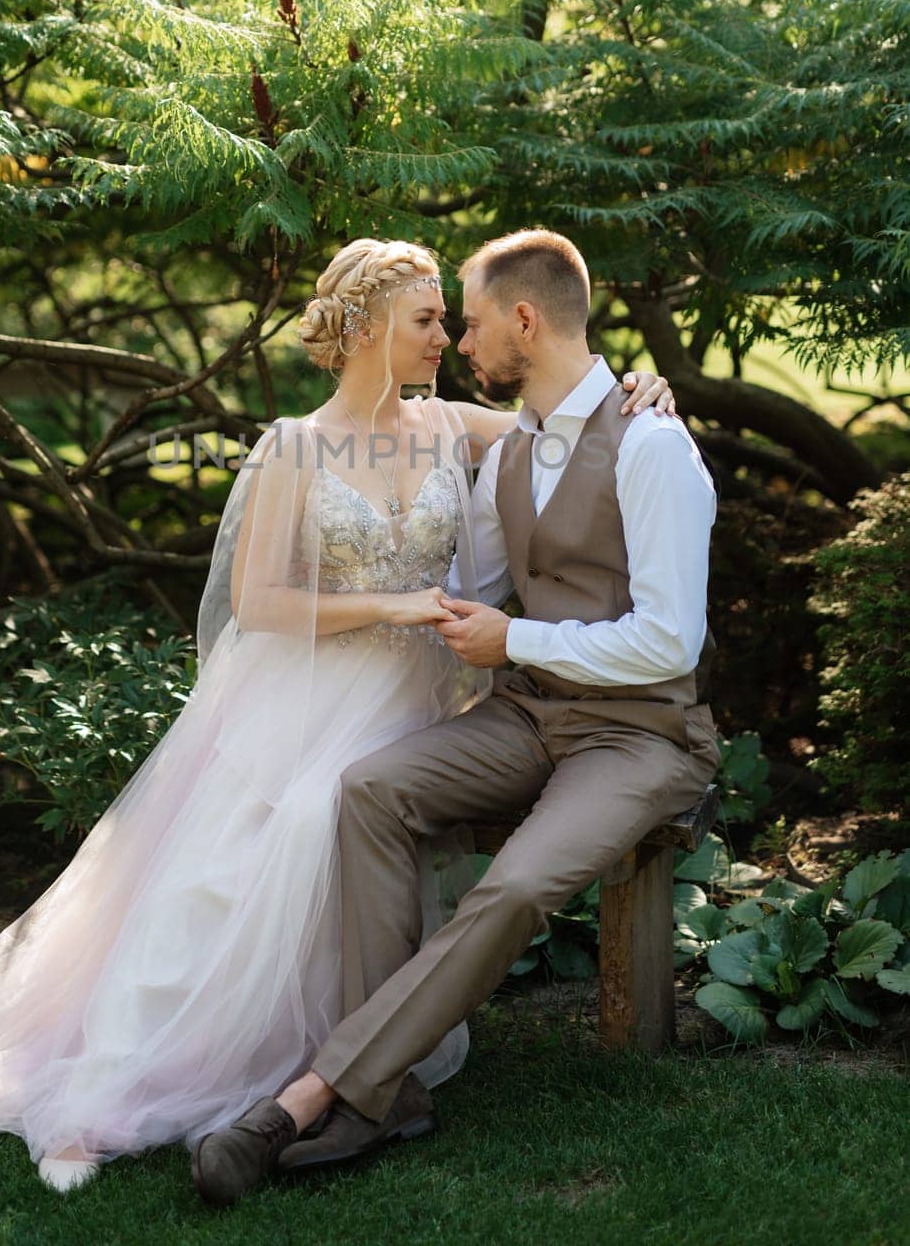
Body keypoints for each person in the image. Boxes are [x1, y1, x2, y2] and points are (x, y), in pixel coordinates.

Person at [0, 236, 674, 1193]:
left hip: (424, 697)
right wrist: (395, 605)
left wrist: (648, 385)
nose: (446, 338)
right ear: (367, 329)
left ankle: (338, 1072)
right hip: (315, 687)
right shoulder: (295, 447)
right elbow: (260, 603)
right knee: (284, 826)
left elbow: (572, 424)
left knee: (344, 808)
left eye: (447, 319)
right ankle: (127, 1078)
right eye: (427, 321)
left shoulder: (449, 428)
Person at [188, 229, 720, 1208]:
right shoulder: (511, 448)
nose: (461, 345)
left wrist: (515, 644)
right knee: (369, 789)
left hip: (639, 734)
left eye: (469, 323)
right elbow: (464, 583)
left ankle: (321, 1093)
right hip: (530, 717)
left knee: (513, 884)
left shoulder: (652, 444)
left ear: (524, 320)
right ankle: (382, 1090)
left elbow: (669, 645)